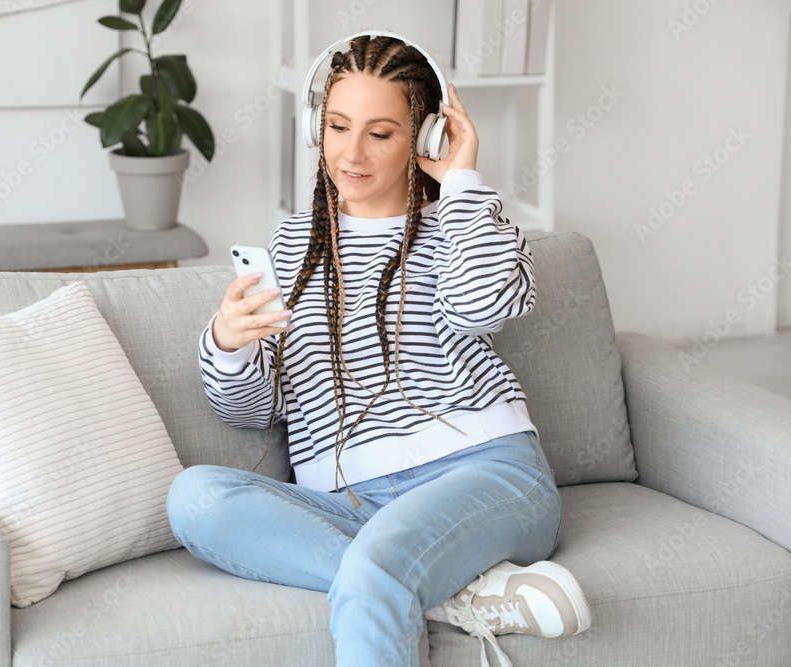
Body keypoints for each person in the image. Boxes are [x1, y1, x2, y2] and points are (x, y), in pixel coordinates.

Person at [166, 32, 591, 667]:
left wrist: (462, 180)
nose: (352, 153)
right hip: (351, 503)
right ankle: (454, 596)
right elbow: (255, 412)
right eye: (338, 127)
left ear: (425, 137)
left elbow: (483, 305)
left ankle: (390, 579)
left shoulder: (467, 226)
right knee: (194, 498)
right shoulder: (292, 246)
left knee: (377, 565)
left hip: (482, 473)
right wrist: (229, 345)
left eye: (381, 133)